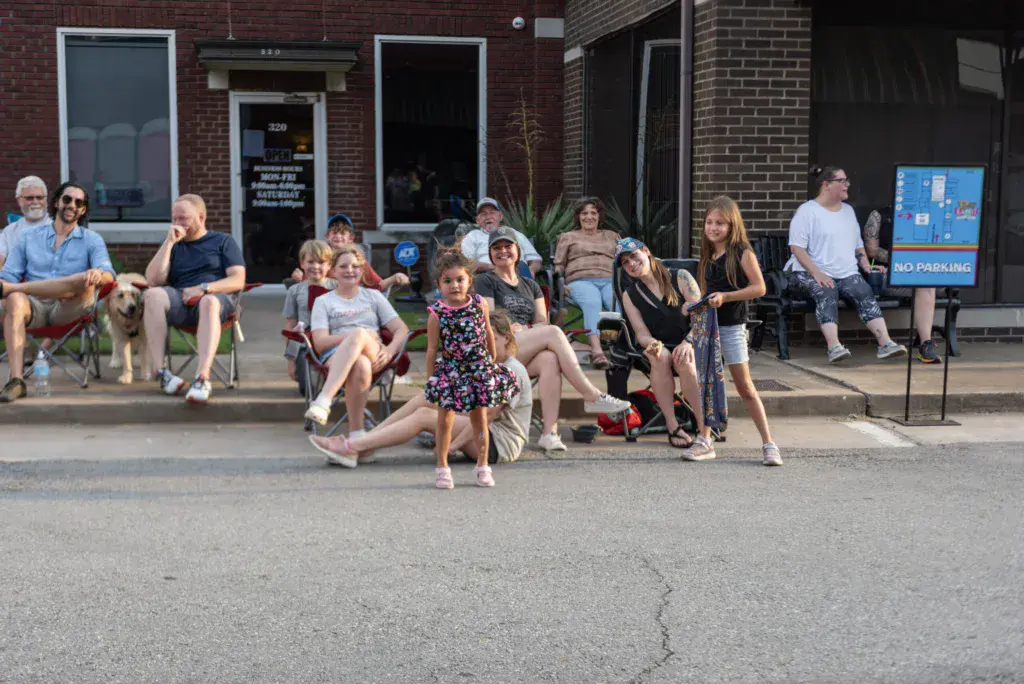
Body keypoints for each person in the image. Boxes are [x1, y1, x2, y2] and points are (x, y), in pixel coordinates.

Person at [308, 310, 532, 468]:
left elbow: (487, 416)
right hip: (482, 431)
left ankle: (351, 446)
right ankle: (366, 445)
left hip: (500, 444)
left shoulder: (511, 370)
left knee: (425, 416)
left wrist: (451, 447)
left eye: (491, 337)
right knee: (428, 398)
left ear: (506, 338)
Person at [476, 226, 632, 452]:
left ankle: (549, 433)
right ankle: (591, 395)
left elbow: (541, 320)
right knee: (554, 332)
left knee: (550, 359)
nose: (503, 251)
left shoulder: (531, 285)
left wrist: (527, 328)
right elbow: (491, 319)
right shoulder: (485, 281)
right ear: (490, 254)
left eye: (507, 246)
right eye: (496, 248)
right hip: (497, 348)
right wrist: (512, 328)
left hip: (522, 349)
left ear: (517, 250)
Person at [0, 182, 116, 403]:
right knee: (14, 298)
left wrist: (97, 273)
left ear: (83, 210)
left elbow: (109, 275)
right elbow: (8, 275)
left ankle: (20, 290)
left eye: (78, 202)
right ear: (56, 202)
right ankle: (16, 381)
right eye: (67, 199)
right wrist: (8, 290)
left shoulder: (92, 239)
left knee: (83, 279)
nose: (72, 205)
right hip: (36, 308)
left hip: (70, 309)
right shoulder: (27, 237)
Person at [785, 166, 907, 364]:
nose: (847, 184)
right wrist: (816, 273)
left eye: (847, 180)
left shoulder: (848, 211)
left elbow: (858, 245)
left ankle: (885, 343)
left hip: (846, 272)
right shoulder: (807, 211)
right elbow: (797, 248)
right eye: (842, 181)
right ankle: (834, 346)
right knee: (826, 290)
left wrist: (867, 266)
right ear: (827, 185)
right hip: (807, 272)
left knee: (863, 291)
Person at [424, 246, 518, 489]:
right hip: (451, 371)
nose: (454, 285)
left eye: (459, 279)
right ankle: (442, 467)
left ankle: (483, 465)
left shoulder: (478, 304)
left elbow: (487, 331)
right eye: (447, 281)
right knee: (445, 420)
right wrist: (431, 379)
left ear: (469, 281)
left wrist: (492, 358)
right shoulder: (437, 313)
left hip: (478, 369)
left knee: (479, 418)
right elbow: (432, 349)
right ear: (438, 284)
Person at [698, 196, 782, 466]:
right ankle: (705, 441)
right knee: (708, 385)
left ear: (732, 225)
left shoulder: (743, 252)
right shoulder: (707, 253)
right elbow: (704, 290)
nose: (713, 228)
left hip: (732, 327)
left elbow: (759, 288)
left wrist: (726, 297)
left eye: (719, 223)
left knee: (745, 387)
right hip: (708, 327)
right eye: (709, 222)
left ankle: (769, 444)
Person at [618, 238, 716, 460]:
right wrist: (652, 344)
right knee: (659, 357)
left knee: (685, 360)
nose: (631, 263)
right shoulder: (630, 295)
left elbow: (702, 316)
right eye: (625, 262)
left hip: (691, 341)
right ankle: (673, 426)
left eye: (633, 256)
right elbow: (641, 333)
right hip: (660, 345)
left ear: (646, 251)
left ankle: (704, 433)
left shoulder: (680, 277)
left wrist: (688, 342)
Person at [143, 193, 246, 404]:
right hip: (181, 302)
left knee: (209, 302)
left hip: (216, 302)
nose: (177, 223)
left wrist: (204, 289)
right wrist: (168, 243)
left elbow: (238, 279)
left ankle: (201, 378)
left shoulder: (223, 241)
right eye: (174, 218)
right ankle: (161, 372)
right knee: (152, 295)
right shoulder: (174, 245)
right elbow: (152, 280)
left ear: (201, 217)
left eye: (183, 218)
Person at [302, 245, 410, 442]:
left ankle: (324, 399)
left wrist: (390, 350)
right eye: (343, 266)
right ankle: (357, 434)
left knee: (360, 336)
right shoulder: (323, 301)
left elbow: (402, 329)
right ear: (333, 271)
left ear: (362, 270)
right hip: (336, 356)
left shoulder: (373, 296)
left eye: (355, 266)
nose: (349, 270)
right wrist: (353, 336)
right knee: (360, 363)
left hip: (374, 352)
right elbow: (320, 343)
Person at [862, 208, 941, 364]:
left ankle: (926, 344)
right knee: (924, 283)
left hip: (919, 272)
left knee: (926, 283)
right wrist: (902, 259)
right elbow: (871, 250)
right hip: (887, 274)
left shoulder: (926, 214)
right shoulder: (879, 214)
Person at [553, 197, 619, 368]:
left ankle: (614, 346)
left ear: (599, 216)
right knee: (592, 301)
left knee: (616, 302)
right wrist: (560, 282)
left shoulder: (612, 236)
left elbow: (622, 261)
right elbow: (559, 264)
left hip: (609, 280)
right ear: (578, 217)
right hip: (580, 280)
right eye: (584, 213)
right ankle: (597, 351)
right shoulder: (568, 237)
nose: (589, 217)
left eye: (593, 213)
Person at [290, 215, 409, 292]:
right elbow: (308, 285)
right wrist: (299, 277)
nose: (338, 236)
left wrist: (395, 277)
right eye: (334, 233)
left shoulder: (358, 262)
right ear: (327, 236)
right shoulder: (321, 261)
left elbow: (377, 285)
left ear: (351, 238)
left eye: (342, 233)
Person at [283, 240, 336, 393]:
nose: (315, 266)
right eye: (311, 262)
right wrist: (290, 361)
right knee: (308, 390)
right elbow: (291, 325)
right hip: (305, 342)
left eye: (321, 262)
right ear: (302, 263)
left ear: (329, 265)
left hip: (333, 340)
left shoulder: (337, 287)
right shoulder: (295, 290)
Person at [460, 197, 542, 278]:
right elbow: (466, 263)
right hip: (488, 276)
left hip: (520, 274)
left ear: (500, 216)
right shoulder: (472, 236)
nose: (488, 217)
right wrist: (492, 267)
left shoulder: (515, 234)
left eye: (492, 212)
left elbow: (535, 259)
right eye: (483, 214)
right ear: (478, 220)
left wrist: (532, 270)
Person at [0, 176, 51, 271]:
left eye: (39, 197)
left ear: (46, 199)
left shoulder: (59, 228)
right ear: (19, 200)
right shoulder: (10, 231)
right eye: (30, 198)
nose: (35, 202)